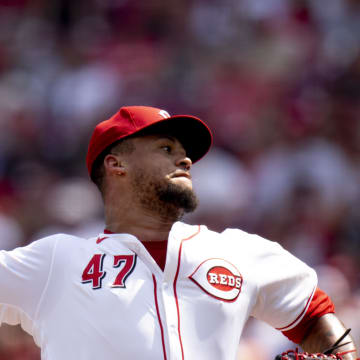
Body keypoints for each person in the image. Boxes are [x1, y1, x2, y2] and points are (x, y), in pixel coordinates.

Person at [0, 105, 358, 360]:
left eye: (185, 152)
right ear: (116, 163)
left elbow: (314, 314)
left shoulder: (239, 251)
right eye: (166, 148)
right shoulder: (57, 262)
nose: (185, 160)